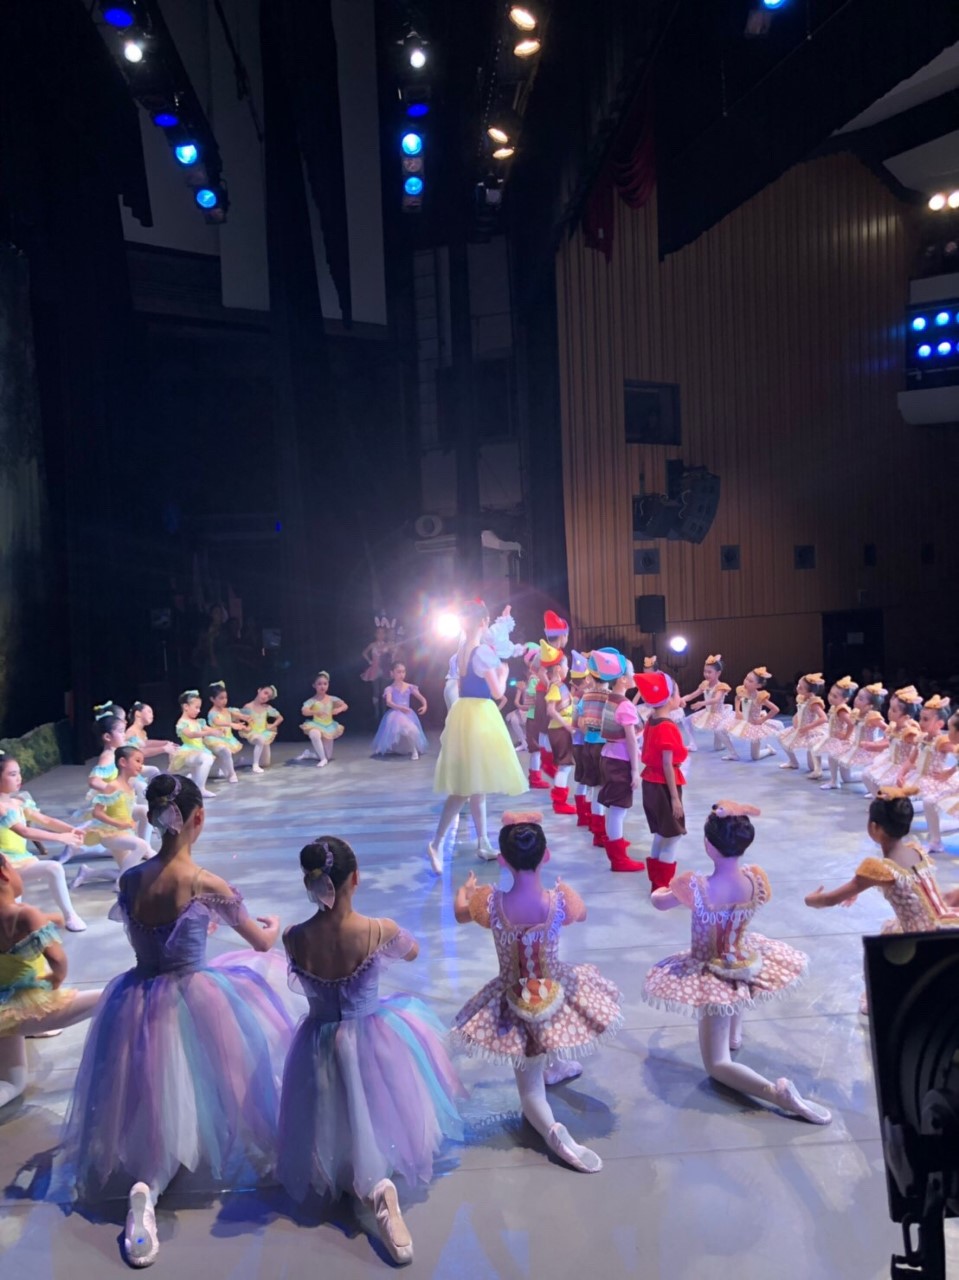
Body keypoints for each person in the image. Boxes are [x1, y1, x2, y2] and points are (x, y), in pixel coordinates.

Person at [63, 774, 293, 1268]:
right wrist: (273, 925)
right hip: (194, 993)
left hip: (137, 996)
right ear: (197, 818)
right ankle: (260, 1154)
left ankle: (147, 1183)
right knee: (228, 1078)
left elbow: (149, 932)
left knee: (153, 1088)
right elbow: (260, 943)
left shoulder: (130, 880)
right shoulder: (206, 883)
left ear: (153, 817)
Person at [277, 836, 464, 1266]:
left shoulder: (294, 937)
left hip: (318, 1039)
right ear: (355, 879)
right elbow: (413, 952)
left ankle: (356, 1173)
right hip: (371, 1035)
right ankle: (378, 1184)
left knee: (332, 1105)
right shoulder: (379, 930)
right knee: (374, 1101)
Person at [644, 801, 831, 1125]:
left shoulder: (698, 887)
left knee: (717, 1064)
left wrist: (665, 888)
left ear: (708, 845)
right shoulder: (754, 880)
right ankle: (734, 1036)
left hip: (711, 966)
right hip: (742, 958)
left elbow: (659, 902)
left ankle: (776, 1093)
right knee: (734, 991)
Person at [453, 817, 621, 1173]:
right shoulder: (559, 902)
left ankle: (551, 1110)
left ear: (502, 860)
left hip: (513, 991)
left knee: (530, 1088)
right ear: (546, 855)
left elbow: (460, 914)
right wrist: (567, 891)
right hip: (553, 986)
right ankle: (554, 1127)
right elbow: (581, 914)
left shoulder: (490, 903)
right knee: (551, 1019)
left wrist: (465, 890)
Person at [428, 601, 527, 873]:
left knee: (476, 783)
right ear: (483, 622)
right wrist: (504, 673)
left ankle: (483, 842)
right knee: (464, 788)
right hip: (480, 714)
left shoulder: (462, 649)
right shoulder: (481, 651)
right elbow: (497, 692)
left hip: (466, 713)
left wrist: (504, 624)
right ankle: (436, 843)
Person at [0, 855, 102, 1110]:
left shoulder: (28, 915)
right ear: (4, 874)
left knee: (12, 1083)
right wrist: (56, 979)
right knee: (111, 995)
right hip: (24, 1005)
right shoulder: (26, 914)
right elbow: (57, 959)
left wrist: (49, 920)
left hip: (2, 1011)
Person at [805, 786, 959, 932]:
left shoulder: (879, 870)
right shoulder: (916, 851)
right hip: (943, 921)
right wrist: (860, 884)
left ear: (874, 827)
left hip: (924, 936)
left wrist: (810, 900)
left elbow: (829, 900)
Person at [0, 752, 87, 931]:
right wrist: (60, 838)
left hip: (20, 862)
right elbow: (24, 831)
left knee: (53, 868)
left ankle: (70, 915)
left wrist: (70, 830)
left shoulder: (18, 802)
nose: (19, 778)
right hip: (4, 867)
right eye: (12, 774)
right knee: (12, 916)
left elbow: (46, 820)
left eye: (19, 773)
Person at [71, 746, 154, 890]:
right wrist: (119, 823)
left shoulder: (130, 786)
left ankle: (88, 873)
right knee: (142, 845)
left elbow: (125, 809)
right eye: (137, 761)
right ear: (123, 762)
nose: (141, 766)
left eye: (142, 762)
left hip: (124, 833)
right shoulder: (113, 786)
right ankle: (120, 884)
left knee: (132, 874)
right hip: (110, 834)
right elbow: (97, 813)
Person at [636, 670, 688, 891]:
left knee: (661, 833)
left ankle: (656, 884)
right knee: (673, 835)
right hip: (663, 785)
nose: (680, 697)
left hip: (650, 782)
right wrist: (675, 798)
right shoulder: (667, 726)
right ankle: (662, 886)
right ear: (669, 698)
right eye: (678, 693)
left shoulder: (652, 720)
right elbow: (667, 764)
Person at [595, 649, 645, 872]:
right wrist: (635, 770)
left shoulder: (610, 699)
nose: (635, 677)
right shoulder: (624, 705)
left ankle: (616, 846)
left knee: (614, 809)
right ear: (623, 679)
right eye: (632, 673)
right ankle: (618, 859)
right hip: (620, 761)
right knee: (618, 810)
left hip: (608, 756)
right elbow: (631, 740)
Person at [543, 643, 577, 815]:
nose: (568, 668)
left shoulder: (558, 685)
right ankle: (559, 803)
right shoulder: (555, 686)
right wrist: (566, 725)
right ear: (558, 668)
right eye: (566, 665)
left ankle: (560, 801)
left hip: (561, 729)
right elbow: (550, 710)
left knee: (565, 767)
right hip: (560, 730)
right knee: (564, 767)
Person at [722, 667, 782, 762]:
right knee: (721, 729)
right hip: (743, 720)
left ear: (758, 685)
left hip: (754, 725)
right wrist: (737, 711)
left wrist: (762, 720)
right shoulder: (742, 691)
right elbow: (737, 698)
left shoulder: (760, 696)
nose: (746, 682)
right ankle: (733, 754)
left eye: (750, 681)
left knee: (755, 757)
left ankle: (769, 750)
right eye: (746, 678)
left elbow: (775, 709)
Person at [371, 662, 428, 761]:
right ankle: (412, 750)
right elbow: (389, 702)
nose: (401, 674)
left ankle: (413, 749)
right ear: (392, 673)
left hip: (408, 713)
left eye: (403, 672)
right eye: (399, 672)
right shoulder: (390, 689)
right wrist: (400, 708)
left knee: (411, 730)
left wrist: (424, 705)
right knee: (404, 729)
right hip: (396, 713)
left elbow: (422, 698)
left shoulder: (409, 687)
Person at [776, 673, 828, 775]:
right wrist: (795, 718)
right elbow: (800, 711)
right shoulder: (802, 698)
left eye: (801, 687)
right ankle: (793, 762)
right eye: (798, 685)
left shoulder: (814, 702)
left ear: (810, 691)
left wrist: (808, 727)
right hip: (800, 728)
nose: (797, 688)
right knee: (781, 737)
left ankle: (829, 765)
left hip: (811, 730)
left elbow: (824, 718)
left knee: (811, 766)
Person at [683, 654, 734, 751]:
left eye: (709, 672)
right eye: (705, 671)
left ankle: (727, 738)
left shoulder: (721, 686)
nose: (706, 674)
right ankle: (692, 744)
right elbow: (692, 695)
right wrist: (681, 699)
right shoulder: (705, 684)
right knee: (687, 721)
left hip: (718, 714)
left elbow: (716, 699)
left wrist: (701, 703)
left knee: (717, 747)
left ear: (718, 673)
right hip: (708, 712)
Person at [298, 671, 348, 767]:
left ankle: (309, 754)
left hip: (329, 726)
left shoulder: (332, 699)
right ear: (314, 685)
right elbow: (304, 711)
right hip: (316, 725)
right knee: (314, 734)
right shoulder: (312, 701)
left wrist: (339, 709)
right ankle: (323, 759)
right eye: (319, 684)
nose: (322, 686)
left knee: (328, 756)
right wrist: (315, 712)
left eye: (325, 684)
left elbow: (345, 705)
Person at [817, 676, 859, 789]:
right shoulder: (835, 707)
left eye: (835, 696)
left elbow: (851, 724)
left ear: (845, 699)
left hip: (842, 740)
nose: (831, 697)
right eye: (830, 694)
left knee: (832, 756)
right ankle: (863, 777)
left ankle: (834, 781)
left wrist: (846, 736)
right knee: (847, 777)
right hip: (836, 737)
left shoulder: (841, 710)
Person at [204, 681, 248, 782]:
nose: (224, 700)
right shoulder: (212, 712)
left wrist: (245, 718)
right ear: (212, 699)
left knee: (224, 758)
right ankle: (232, 774)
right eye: (221, 698)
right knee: (226, 752)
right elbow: (218, 722)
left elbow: (239, 715)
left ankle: (222, 771)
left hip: (227, 739)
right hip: (215, 739)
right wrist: (232, 724)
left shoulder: (227, 710)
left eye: (225, 698)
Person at [241, 685, 284, 773]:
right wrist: (244, 727)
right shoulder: (248, 707)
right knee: (259, 739)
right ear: (259, 690)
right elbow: (237, 718)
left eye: (268, 697)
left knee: (265, 763)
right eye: (265, 693)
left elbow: (280, 718)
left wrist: (272, 726)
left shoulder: (267, 708)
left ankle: (243, 761)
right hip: (253, 733)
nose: (265, 697)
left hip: (264, 733)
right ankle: (255, 765)